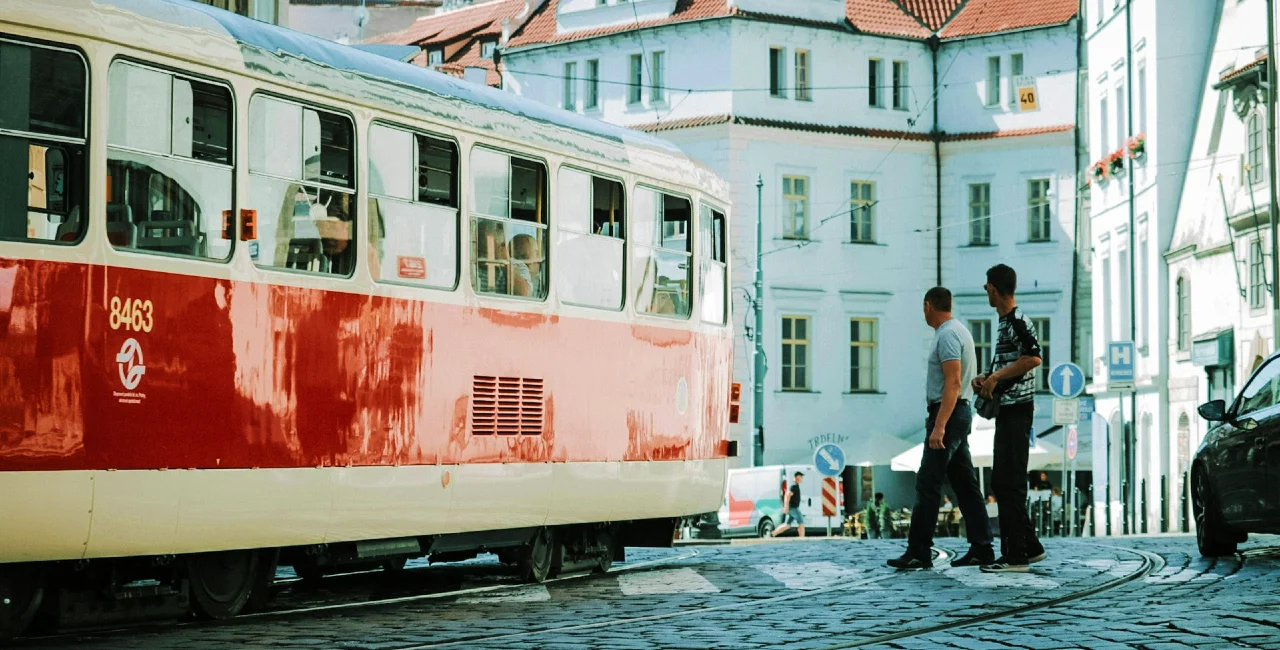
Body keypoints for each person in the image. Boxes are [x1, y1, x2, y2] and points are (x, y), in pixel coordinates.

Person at [888, 287, 994, 570]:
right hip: (957, 412)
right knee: (965, 484)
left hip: (949, 412)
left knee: (928, 482)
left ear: (927, 306)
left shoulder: (947, 335)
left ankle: (919, 550)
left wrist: (939, 426)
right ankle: (982, 547)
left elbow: (954, 382)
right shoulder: (959, 330)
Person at [973, 264, 1046, 573]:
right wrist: (987, 378)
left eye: (988, 288)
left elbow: (1033, 357)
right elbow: (1011, 362)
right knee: (1004, 480)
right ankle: (1029, 546)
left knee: (1008, 481)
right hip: (1009, 409)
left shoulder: (1017, 321)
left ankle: (1015, 555)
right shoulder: (1004, 323)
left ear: (994, 289)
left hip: (1018, 409)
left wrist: (997, 377)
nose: (986, 293)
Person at [773, 471, 806, 537]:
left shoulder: (795, 486)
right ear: (797, 477)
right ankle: (802, 539)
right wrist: (786, 507)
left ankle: (773, 534)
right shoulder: (794, 486)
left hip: (791, 508)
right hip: (794, 508)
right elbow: (787, 496)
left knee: (787, 525)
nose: (802, 478)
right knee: (801, 523)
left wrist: (787, 507)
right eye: (801, 476)